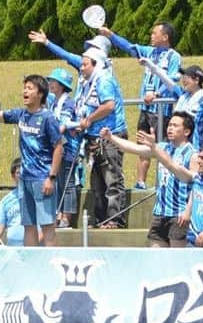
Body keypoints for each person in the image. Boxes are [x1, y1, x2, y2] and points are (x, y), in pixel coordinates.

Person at [0, 75, 63, 247]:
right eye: (24, 88)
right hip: (25, 180)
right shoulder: (20, 115)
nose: (25, 91)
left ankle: (48, 267)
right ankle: (30, 265)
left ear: (41, 93)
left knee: (47, 226)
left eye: (30, 88)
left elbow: (59, 147)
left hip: (42, 178)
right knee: (28, 225)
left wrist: (51, 177)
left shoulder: (48, 118)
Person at [100, 21, 181, 191]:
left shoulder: (174, 56)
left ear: (165, 37)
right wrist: (110, 35)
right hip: (145, 109)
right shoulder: (149, 52)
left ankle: (164, 183)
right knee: (142, 145)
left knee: (160, 147)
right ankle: (141, 182)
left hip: (161, 110)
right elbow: (129, 47)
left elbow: (173, 81)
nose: (151, 36)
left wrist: (156, 94)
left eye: (154, 33)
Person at [101, 112, 196, 247]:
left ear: (186, 131)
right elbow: (135, 148)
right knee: (155, 259)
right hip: (160, 213)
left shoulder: (192, 154)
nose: (170, 128)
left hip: (179, 214)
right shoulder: (163, 147)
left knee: (178, 259)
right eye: (169, 125)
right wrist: (111, 137)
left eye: (175, 125)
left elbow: (196, 186)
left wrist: (188, 211)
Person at [71, 48, 128, 228]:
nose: (82, 68)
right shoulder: (89, 82)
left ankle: (115, 219)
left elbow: (109, 105)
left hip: (110, 135)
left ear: (96, 64)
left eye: (85, 64)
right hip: (93, 138)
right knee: (97, 183)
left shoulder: (103, 79)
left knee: (112, 179)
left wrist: (89, 119)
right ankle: (101, 218)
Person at [46, 66, 82, 228]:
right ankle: (59, 214)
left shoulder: (67, 102)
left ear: (62, 85)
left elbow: (64, 123)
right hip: (57, 146)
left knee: (67, 182)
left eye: (54, 81)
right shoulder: (54, 101)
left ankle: (67, 216)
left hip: (68, 147)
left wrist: (56, 129)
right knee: (59, 182)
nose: (51, 83)